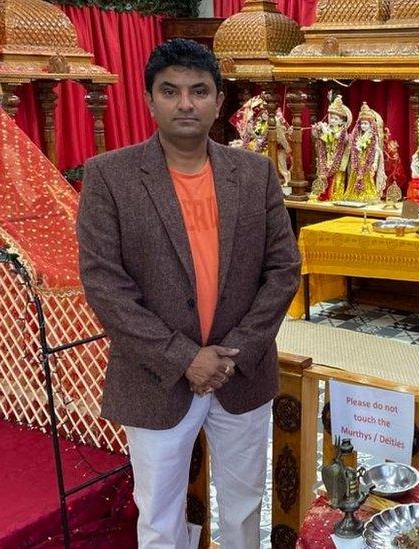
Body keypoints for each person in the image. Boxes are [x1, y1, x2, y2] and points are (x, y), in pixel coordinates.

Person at [76, 38, 300, 549]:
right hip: (155, 378)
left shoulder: (254, 172)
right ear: (149, 100)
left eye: (199, 91)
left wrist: (230, 355)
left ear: (219, 101)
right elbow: (104, 283)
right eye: (170, 91)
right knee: (158, 515)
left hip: (240, 372)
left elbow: (283, 268)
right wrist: (183, 358)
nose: (185, 103)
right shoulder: (110, 176)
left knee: (245, 506)